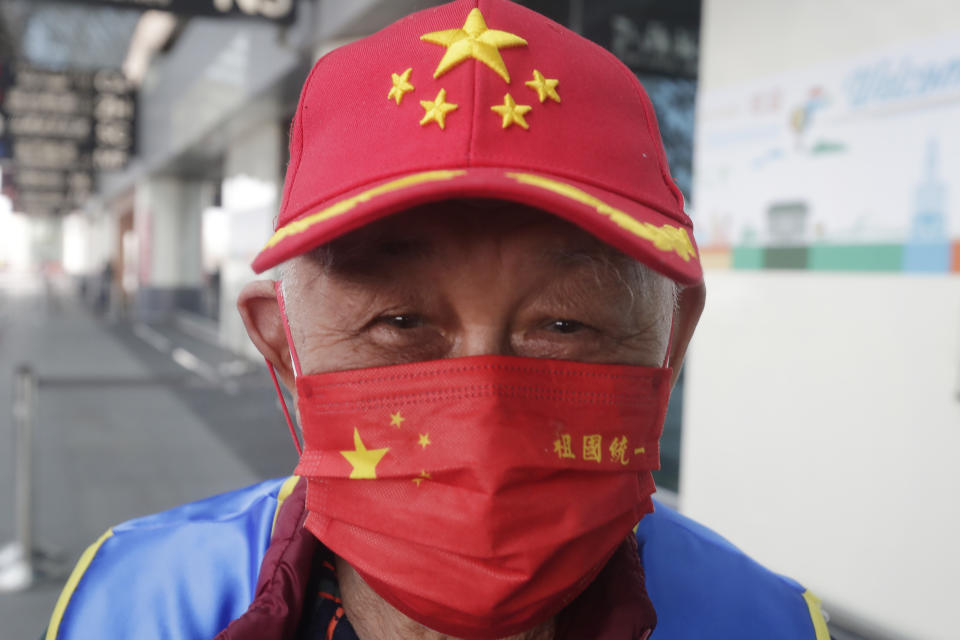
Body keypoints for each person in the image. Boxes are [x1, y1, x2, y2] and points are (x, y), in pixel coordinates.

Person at [45, 1, 831, 638]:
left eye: (563, 326)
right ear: (283, 343)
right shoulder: (131, 606)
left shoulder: (767, 624)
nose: (483, 414)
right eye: (398, 319)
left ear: (672, 338)